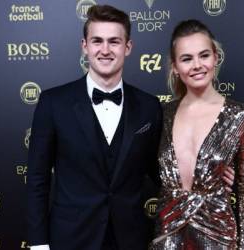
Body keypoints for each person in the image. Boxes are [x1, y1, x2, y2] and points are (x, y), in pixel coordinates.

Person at [27, 5, 163, 250]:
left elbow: (161, 172)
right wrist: (38, 244)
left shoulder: (149, 106)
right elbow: (37, 178)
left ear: (128, 47)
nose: (105, 50)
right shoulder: (53, 103)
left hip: (131, 239)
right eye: (97, 41)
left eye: (114, 41)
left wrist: (209, 178)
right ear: (85, 46)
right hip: (70, 238)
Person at [150, 20, 244, 250]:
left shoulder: (239, 116)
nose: (197, 65)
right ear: (175, 67)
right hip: (168, 234)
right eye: (187, 58)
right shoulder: (162, 115)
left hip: (218, 234)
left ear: (216, 58)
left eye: (204, 55)